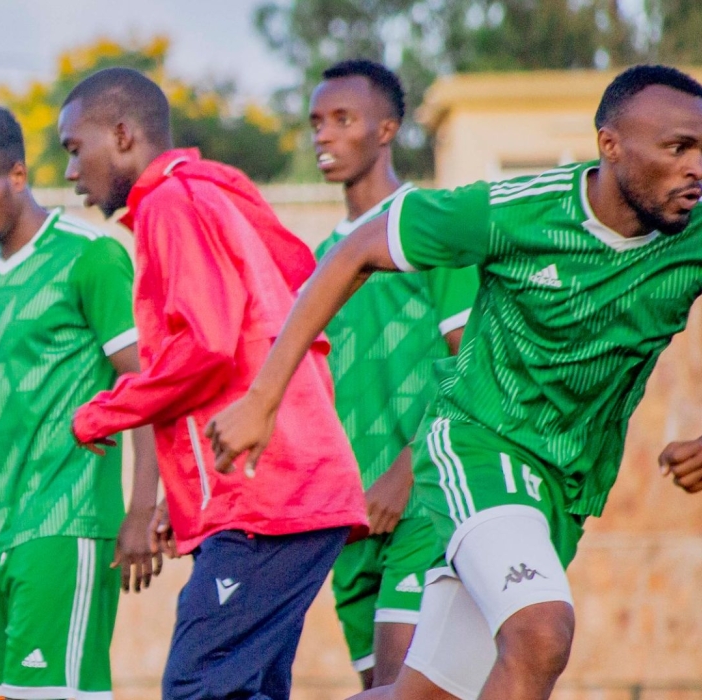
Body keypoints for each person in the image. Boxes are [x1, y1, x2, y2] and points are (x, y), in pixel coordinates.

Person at [207, 64, 702, 700]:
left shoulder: (690, 234)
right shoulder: (512, 212)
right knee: (542, 633)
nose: (695, 166)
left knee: (425, 694)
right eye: (678, 148)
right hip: (480, 445)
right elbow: (359, 247)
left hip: (565, 484)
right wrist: (261, 399)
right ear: (610, 145)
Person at [59, 67, 367, 700]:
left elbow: (207, 345)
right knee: (246, 688)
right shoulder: (199, 199)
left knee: (199, 686)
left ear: (121, 135)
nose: (70, 173)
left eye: (73, 149)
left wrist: (105, 411)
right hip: (264, 499)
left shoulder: (172, 204)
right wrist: (189, 497)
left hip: (268, 502)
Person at [0, 104, 162, 700]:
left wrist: (141, 509)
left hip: (67, 524)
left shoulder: (91, 255)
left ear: (17, 174)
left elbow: (145, 388)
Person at [309, 60, 478, 688]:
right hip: (348, 516)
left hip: (421, 499)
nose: (324, 135)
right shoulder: (325, 258)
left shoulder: (430, 226)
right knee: (374, 686)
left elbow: (474, 361)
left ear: (387, 129)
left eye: (343, 120)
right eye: (316, 123)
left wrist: (406, 473)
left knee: (402, 688)